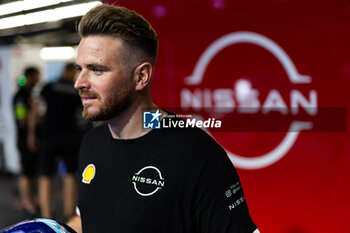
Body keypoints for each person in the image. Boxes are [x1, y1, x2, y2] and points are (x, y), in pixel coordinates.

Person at [68, 4, 259, 233]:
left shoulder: (198, 156)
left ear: (141, 76)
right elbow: (90, 218)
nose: (79, 82)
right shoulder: (92, 143)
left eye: (96, 69)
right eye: (79, 68)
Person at [28, 63, 89, 221]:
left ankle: (46, 215)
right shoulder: (77, 89)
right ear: (71, 72)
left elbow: (35, 109)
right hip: (71, 136)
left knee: (45, 175)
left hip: (50, 136)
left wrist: (31, 133)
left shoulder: (49, 86)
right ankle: (69, 215)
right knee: (70, 174)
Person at [13, 67, 40, 218]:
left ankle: (30, 202)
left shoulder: (29, 95)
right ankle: (28, 203)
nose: (38, 80)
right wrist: (34, 115)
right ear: (29, 77)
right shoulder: (21, 97)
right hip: (24, 140)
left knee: (30, 172)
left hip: (28, 139)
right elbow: (22, 120)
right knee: (26, 172)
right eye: (36, 77)